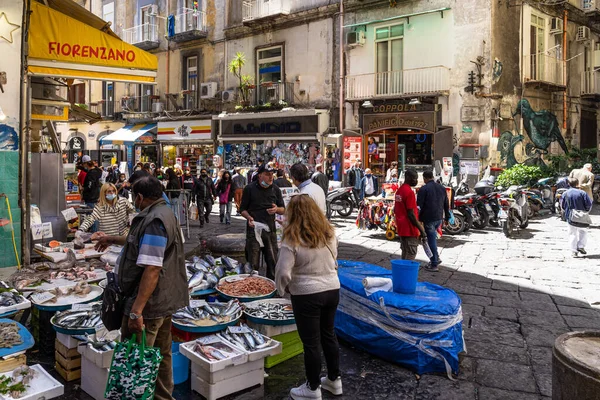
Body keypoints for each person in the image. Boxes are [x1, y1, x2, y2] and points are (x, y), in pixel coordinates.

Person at [94, 175, 188, 400]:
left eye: (134, 198)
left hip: (150, 304)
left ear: (140, 197)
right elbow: (138, 242)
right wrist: (111, 239)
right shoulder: (163, 212)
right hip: (163, 301)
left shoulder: (155, 221)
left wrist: (137, 311)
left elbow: (152, 269)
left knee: (135, 359)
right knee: (162, 354)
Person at [275, 194, 342, 400]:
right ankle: (334, 380)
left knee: (311, 342)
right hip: (332, 289)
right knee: (328, 335)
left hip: (306, 293)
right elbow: (334, 257)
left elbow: (283, 272)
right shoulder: (329, 234)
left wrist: (282, 289)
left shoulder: (292, 239)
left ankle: (313, 388)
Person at [240, 165, 285, 279]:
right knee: (253, 262)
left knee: (272, 261)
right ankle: (253, 286)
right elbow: (242, 209)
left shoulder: (275, 189)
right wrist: (249, 217)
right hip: (253, 231)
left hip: (270, 230)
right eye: (267, 174)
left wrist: (276, 210)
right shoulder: (249, 189)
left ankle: (272, 286)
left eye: (272, 175)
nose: (271, 177)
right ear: (260, 175)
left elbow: (283, 209)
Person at [417, 170, 452, 271]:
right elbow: (446, 204)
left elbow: (419, 206)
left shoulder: (424, 189)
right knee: (432, 239)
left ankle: (434, 263)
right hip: (438, 218)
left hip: (428, 218)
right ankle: (436, 258)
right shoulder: (442, 188)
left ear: (424, 178)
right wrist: (447, 217)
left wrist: (417, 219)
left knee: (430, 240)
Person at [395, 169, 426, 260]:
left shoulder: (400, 190)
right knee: (411, 253)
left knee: (405, 251)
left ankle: (402, 273)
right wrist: (421, 229)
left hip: (401, 227)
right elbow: (411, 214)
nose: (416, 181)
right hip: (409, 229)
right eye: (414, 178)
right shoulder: (409, 192)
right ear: (408, 178)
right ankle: (406, 273)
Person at [561, 178, 593, 257]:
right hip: (582, 216)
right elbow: (589, 204)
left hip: (570, 216)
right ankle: (581, 246)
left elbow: (562, 206)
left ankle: (574, 251)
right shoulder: (583, 193)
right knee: (583, 231)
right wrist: (585, 211)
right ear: (577, 184)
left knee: (572, 233)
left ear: (568, 184)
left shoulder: (565, 193)